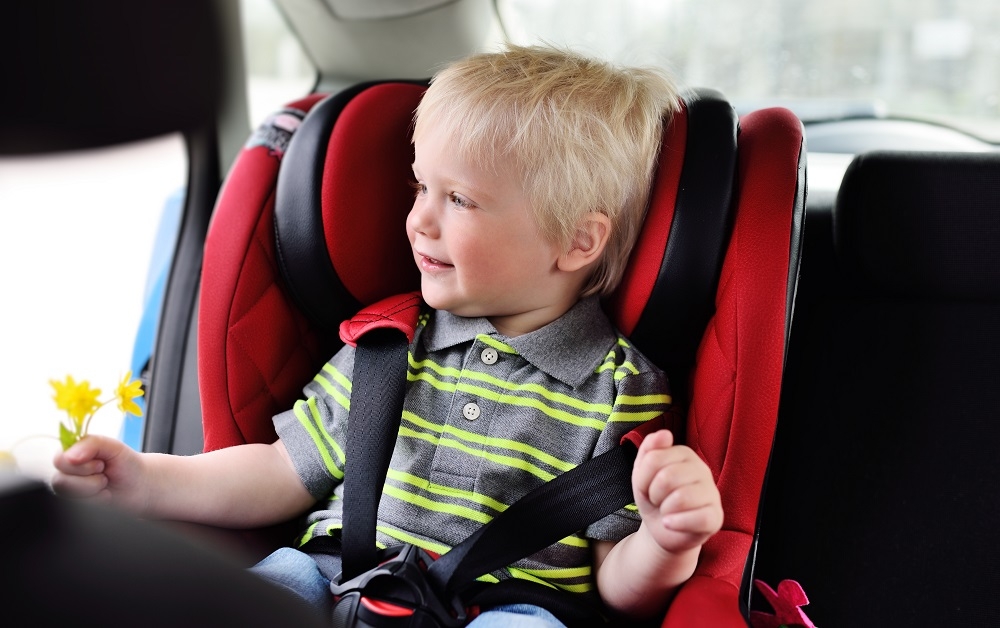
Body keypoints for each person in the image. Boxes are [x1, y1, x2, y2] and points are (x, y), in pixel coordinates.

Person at [52, 44, 723, 626]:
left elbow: (615, 583)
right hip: (332, 577)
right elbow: (283, 471)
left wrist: (666, 543)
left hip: (511, 609)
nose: (419, 222)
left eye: (458, 200)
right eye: (420, 187)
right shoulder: (387, 344)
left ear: (578, 240)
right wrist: (143, 480)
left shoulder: (622, 389)